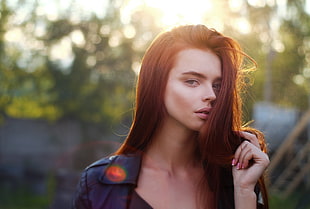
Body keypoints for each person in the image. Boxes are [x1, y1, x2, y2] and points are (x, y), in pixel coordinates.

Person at [72, 24, 270, 209]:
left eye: (217, 85)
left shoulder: (235, 180)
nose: (212, 95)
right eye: (192, 81)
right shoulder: (99, 184)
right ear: (157, 85)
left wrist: (244, 193)